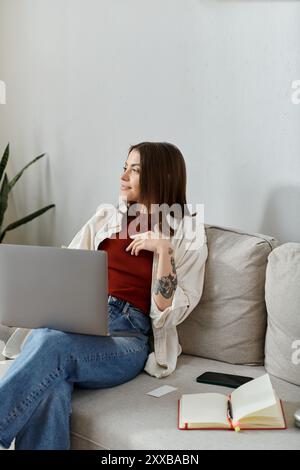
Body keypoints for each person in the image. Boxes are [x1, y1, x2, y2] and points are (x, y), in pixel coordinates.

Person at [0, 141, 208, 450]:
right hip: (78, 324)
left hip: (127, 338)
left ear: (160, 177)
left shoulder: (187, 232)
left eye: (134, 170)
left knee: (49, 342)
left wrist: (164, 250)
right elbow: (65, 268)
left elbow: (170, 312)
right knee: (51, 387)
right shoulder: (106, 219)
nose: (123, 176)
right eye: (124, 167)